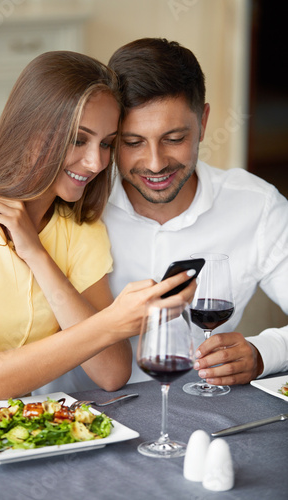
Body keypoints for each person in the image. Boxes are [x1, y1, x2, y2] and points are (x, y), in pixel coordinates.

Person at [0, 50, 196, 405]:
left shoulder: (80, 228)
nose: (96, 162)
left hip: (13, 432)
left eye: (107, 144)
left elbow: (112, 373)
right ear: (29, 130)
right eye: (78, 139)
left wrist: (37, 255)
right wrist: (112, 322)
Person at [104, 37, 288, 387]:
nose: (155, 164)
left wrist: (266, 351)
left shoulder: (256, 205)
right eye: (132, 142)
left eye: (174, 138)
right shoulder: (76, 204)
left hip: (201, 417)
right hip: (77, 420)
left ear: (203, 121)